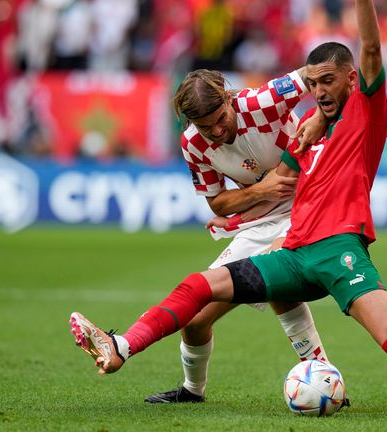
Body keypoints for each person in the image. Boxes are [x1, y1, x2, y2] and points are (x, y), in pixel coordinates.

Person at [70, 0, 387, 418]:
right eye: (313, 84)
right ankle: (121, 346)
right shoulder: (304, 139)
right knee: (199, 287)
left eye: (327, 81)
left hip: (338, 252)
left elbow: (369, 50)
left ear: (352, 80)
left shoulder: (367, 117)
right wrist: (237, 214)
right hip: (292, 251)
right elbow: (275, 186)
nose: (319, 91)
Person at [139, 66, 334, 404]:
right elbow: (218, 203)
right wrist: (262, 190)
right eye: (204, 126)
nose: (216, 130)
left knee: (278, 272)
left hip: (310, 201)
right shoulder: (193, 144)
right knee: (196, 318)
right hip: (260, 218)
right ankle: (192, 391)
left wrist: (319, 115)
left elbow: (321, 68)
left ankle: (323, 375)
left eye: (220, 118)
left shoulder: (264, 100)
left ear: (229, 98)